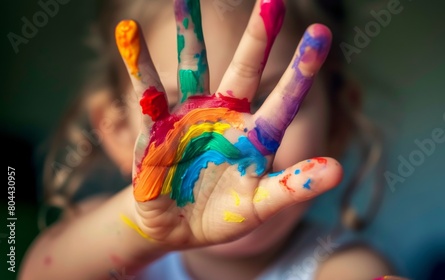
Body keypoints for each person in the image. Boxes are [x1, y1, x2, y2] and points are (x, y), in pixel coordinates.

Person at [20, 0, 406, 279]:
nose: (230, 143)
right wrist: (142, 225)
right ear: (118, 132)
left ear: (336, 123)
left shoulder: (343, 267)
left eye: (268, 102)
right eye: (175, 112)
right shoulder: (105, 243)